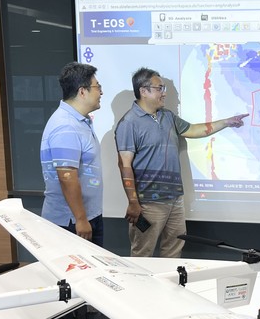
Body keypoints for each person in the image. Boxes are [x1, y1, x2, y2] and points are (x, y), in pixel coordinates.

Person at [115, 67, 248, 257]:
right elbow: (124, 165)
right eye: (160, 88)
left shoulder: (167, 116)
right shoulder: (129, 123)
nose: (164, 93)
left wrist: (227, 122)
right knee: (142, 254)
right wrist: (133, 202)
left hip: (175, 199)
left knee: (174, 251)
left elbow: (193, 130)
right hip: (148, 204)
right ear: (144, 91)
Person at [40, 62, 104, 246]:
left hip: (85, 216)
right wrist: (81, 219)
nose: (101, 92)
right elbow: (67, 177)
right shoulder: (66, 126)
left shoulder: (80, 121)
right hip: (71, 221)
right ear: (82, 91)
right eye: (97, 87)